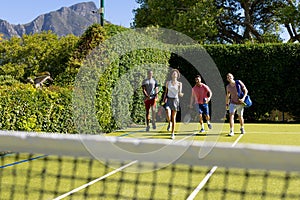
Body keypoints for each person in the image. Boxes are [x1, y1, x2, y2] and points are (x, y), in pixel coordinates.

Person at [163, 69, 184, 139]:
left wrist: (181, 94)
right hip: (169, 99)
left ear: (177, 75)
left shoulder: (179, 84)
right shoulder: (167, 83)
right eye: (173, 73)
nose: (174, 74)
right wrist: (164, 99)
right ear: (171, 75)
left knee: (173, 117)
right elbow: (166, 92)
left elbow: (180, 92)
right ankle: (169, 122)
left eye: (176, 73)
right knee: (167, 111)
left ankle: (172, 133)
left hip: (175, 100)